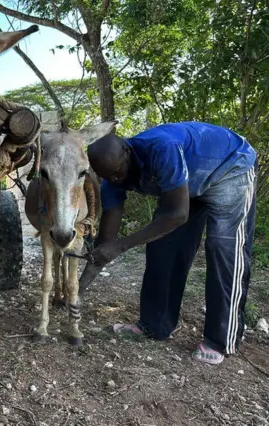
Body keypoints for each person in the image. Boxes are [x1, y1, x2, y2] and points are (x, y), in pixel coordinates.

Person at [81, 121, 257, 365]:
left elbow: (177, 214)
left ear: (127, 152)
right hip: (187, 184)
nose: (114, 178)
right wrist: (82, 282)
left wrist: (121, 247)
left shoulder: (163, 148)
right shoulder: (111, 176)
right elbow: (107, 238)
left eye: (117, 171)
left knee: (223, 249)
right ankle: (155, 324)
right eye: (106, 176)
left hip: (230, 169)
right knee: (163, 248)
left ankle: (220, 340)